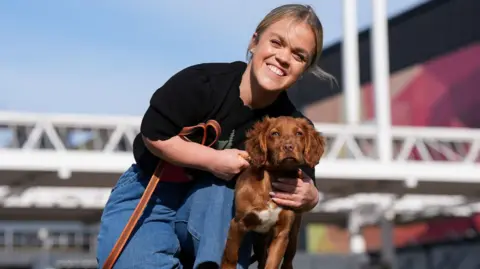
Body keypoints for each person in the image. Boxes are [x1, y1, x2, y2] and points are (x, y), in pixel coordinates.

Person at [96, 4, 334, 269]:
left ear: (304, 69)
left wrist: (310, 196)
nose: (283, 57)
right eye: (276, 43)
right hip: (151, 190)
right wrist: (213, 160)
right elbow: (154, 134)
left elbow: (304, 179)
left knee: (223, 191)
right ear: (254, 41)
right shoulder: (203, 83)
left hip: (214, 210)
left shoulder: (293, 124)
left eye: (298, 55)